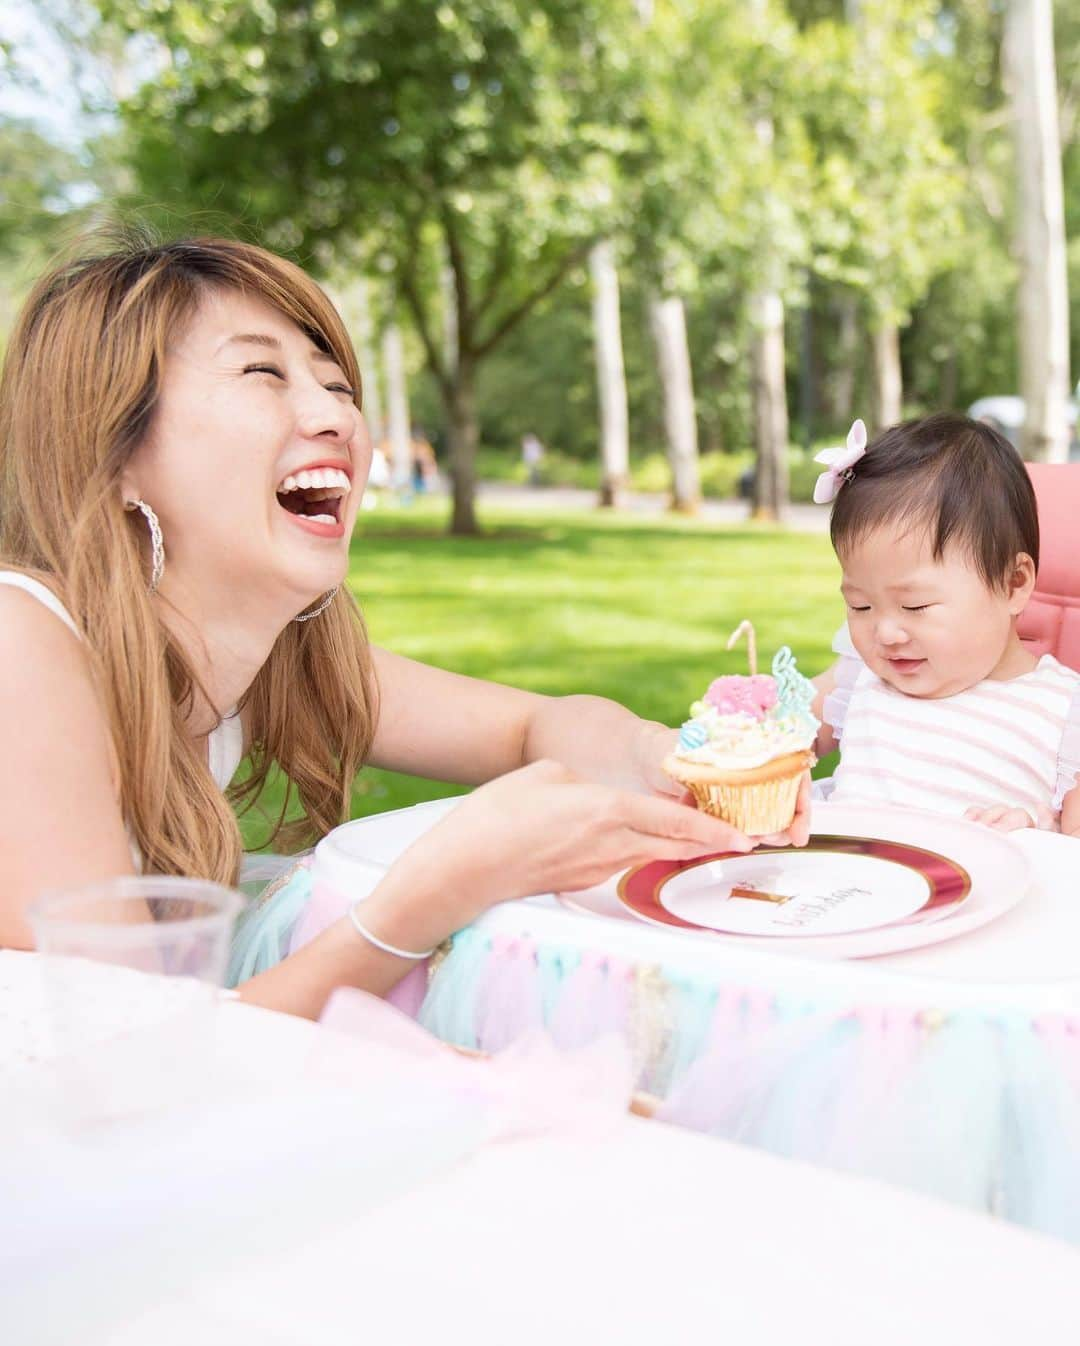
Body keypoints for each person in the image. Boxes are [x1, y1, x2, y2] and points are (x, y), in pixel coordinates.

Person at [0, 232, 810, 1021]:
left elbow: (535, 725)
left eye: (337, 386)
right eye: (262, 372)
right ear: (114, 452)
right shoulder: (20, 647)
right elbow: (122, 1067)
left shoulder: (279, 658)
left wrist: (664, 763)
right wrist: (436, 892)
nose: (337, 419)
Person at [810, 414, 1080, 835]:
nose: (884, 633)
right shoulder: (857, 674)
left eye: (915, 606)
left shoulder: (1066, 714)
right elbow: (764, 737)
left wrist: (1042, 831)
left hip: (982, 895)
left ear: (1013, 584)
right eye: (860, 606)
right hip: (843, 886)